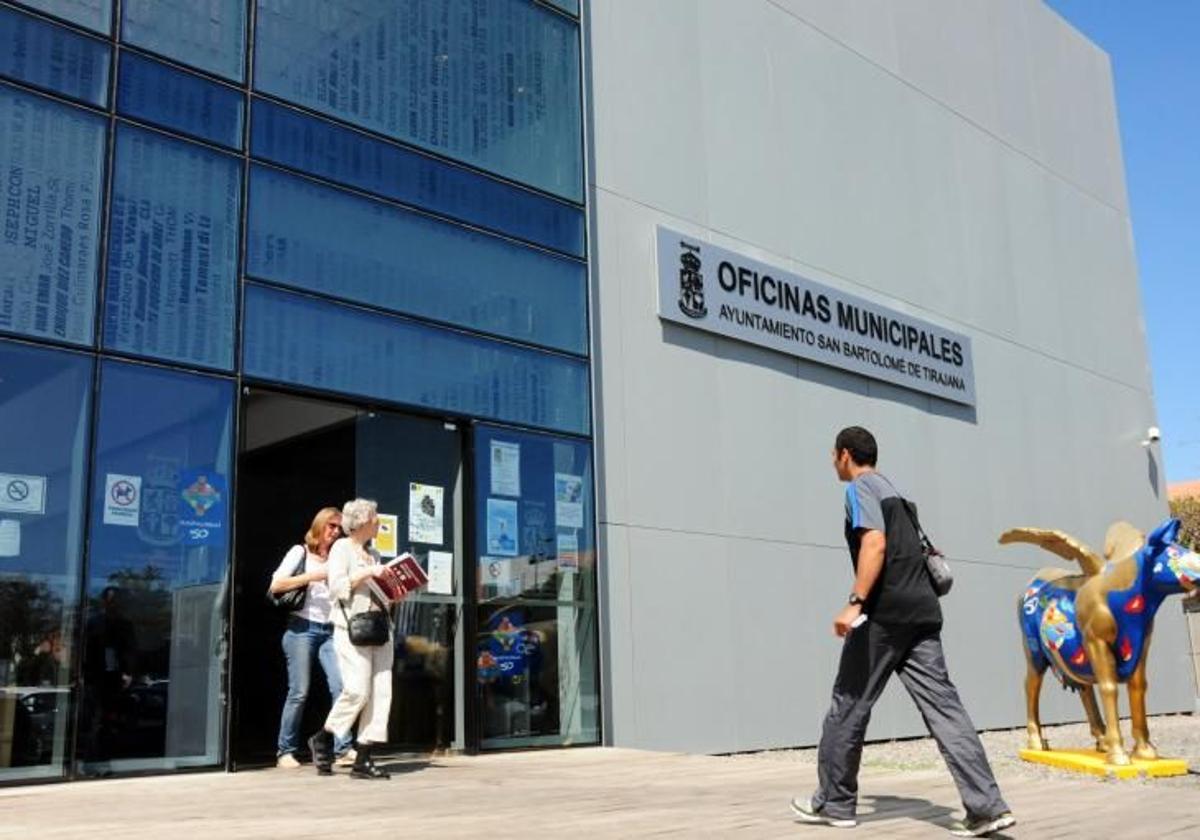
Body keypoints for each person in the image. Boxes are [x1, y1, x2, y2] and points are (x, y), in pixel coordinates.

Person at [791, 427, 1015, 837]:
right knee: (946, 710)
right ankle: (986, 807)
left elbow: (874, 544)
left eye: (833, 455)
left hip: (883, 614)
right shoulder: (896, 491)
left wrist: (856, 601)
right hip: (923, 613)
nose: (833, 462)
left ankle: (835, 803)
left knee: (849, 702)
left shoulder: (860, 489)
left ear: (844, 454)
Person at [308, 498, 394, 780]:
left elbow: (377, 593)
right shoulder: (342, 549)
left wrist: (395, 591)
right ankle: (324, 736)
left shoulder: (375, 553)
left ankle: (364, 757)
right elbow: (337, 588)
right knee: (357, 690)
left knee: (381, 693)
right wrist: (368, 572)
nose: (378, 521)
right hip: (351, 628)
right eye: (375, 517)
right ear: (362, 521)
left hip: (380, 628)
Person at [269, 507, 355, 768]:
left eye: (339, 528)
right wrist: (313, 575)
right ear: (319, 526)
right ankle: (285, 750)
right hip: (301, 629)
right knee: (299, 691)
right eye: (331, 525)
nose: (335, 531)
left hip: (330, 630)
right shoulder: (300, 552)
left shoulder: (339, 559)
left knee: (342, 688)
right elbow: (275, 585)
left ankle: (343, 748)